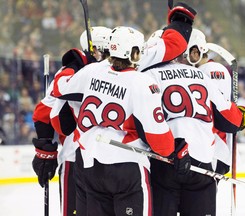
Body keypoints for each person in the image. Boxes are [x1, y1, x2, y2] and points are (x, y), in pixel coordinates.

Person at [50, 25, 191, 216]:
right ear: (133, 53)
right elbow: (159, 140)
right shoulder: (142, 82)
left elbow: (59, 88)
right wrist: (176, 149)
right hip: (126, 168)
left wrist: (72, 65)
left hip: (90, 165)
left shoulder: (91, 71)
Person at [143, 33, 245, 216]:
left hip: (164, 161)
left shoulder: (148, 75)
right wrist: (242, 116)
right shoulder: (202, 76)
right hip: (201, 163)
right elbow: (232, 121)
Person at [31, 26, 112, 216]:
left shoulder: (114, 72)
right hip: (84, 157)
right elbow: (44, 112)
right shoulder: (71, 72)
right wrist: (45, 149)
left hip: (100, 157)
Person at [183, 28, 234, 175]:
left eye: (186, 55)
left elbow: (217, 114)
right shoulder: (209, 69)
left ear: (195, 52)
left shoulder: (211, 70)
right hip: (209, 150)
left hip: (213, 151)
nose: (183, 60)